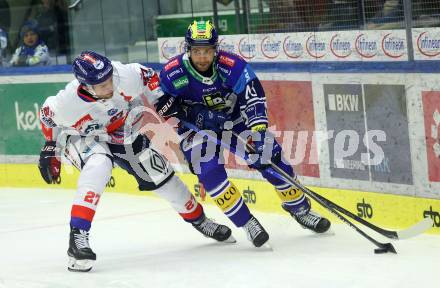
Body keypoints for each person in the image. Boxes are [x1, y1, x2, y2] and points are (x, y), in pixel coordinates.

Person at [38, 50, 234, 272]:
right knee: (99, 164)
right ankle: (78, 238)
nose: (109, 87)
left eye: (109, 79)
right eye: (101, 85)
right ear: (86, 86)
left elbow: (149, 78)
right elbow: (46, 117)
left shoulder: (124, 74)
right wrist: (49, 147)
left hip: (122, 130)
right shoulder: (67, 103)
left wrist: (160, 100)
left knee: (162, 177)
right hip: (83, 136)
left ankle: (200, 221)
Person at [157, 20, 331, 248]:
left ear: (215, 49)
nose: (202, 57)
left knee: (272, 158)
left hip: (235, 121)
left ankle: (300, 210)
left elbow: (254, 98)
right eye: (196, 51)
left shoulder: (232, 66)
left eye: (207, 51)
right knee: (209, 173)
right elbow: (162, 105)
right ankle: (247, 223)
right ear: (187, 49)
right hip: (196, 130)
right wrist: (197, 114)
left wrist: (258, 133)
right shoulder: (173, 72)